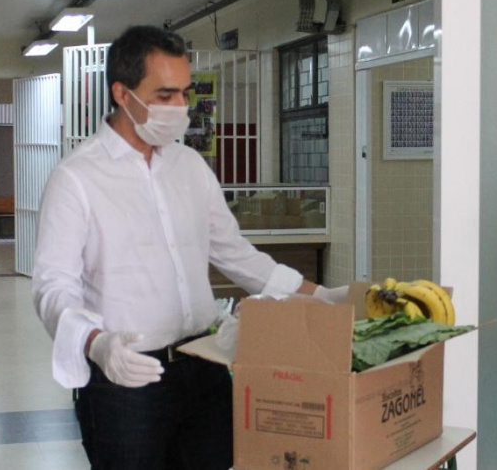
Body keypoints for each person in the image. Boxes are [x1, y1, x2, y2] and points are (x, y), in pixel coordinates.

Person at [32, 26, 345, 470]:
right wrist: (95, 344)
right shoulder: (77, 178)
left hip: (205, 366)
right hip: (127, 382)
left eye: (184, 93)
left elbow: (234, 252)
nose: (180, 107)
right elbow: (52, 287)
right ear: (122, 93)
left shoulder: (189, 166)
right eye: (164, 95)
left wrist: (319, 296)